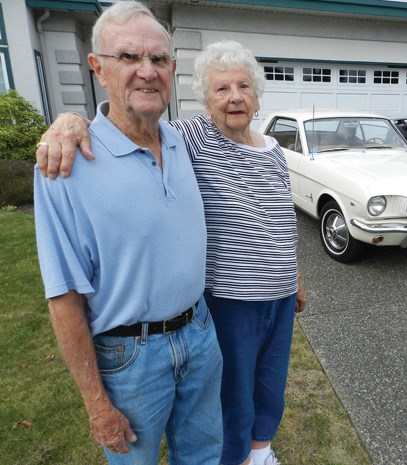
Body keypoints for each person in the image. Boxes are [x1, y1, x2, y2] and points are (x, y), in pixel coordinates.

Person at [37, 39, 308, 465]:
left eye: (243, 87)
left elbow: (280, 219)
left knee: (271, 385)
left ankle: (261, 453)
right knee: (234, 395)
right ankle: (237, 457)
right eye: (221, 90)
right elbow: (124, 124)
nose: (234, 97)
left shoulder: (272, 150)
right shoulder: (190, 137)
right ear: (205, 100)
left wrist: (294, 279)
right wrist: (70, 120)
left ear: (257, 97)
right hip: (233, 298)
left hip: (280, 294)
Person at [33, 2, 223, 464]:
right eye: (129, 57)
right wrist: (96, 403)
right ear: (98, 68)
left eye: (158, 59)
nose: (147, 72)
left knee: (205, 456)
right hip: (129, 359)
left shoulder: (183, 140)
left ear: (172, 70)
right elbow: (63, 296)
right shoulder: (66, 164)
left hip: (199, 333)